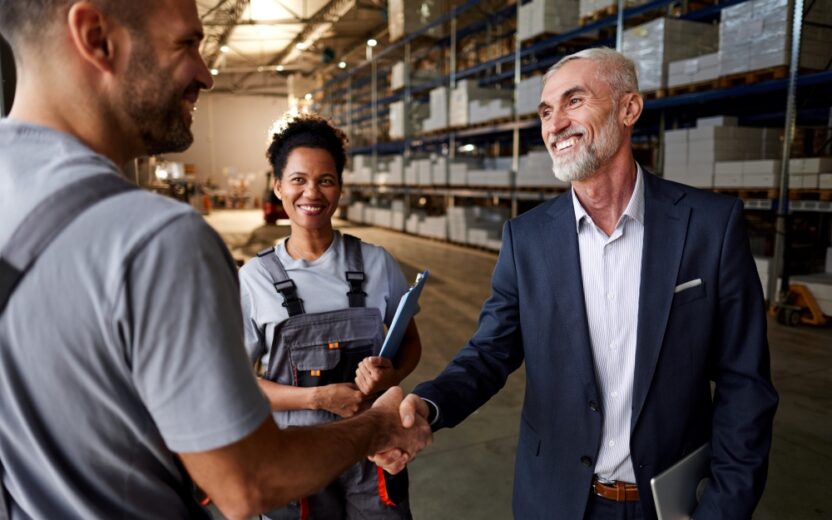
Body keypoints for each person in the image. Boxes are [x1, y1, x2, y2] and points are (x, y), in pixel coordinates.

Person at [0, 1, 430, 519]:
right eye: (185, 43)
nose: (206, 74)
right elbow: (249, 482)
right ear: (97, 37)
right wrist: (377, 426)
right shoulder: (155, 240)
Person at [381, 47, 778, 519]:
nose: (554, 124)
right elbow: (489, 352)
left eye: (574, 101)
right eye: (546, 111)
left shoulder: (710, 227)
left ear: (629, 108)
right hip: (556, 501)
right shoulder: (525, 239)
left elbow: (744, 382)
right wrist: (427, 405)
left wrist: (724, 508)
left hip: (671, 503)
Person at [239, 113, 422, 519]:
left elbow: (410, 342)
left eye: (326, 180)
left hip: (374, 453)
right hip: (295, 458)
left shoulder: (377, 264)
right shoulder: (253, 279)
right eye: (298, 179)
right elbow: (235, 384)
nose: (312, 193)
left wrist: (391, 376)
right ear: (278, 186)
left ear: (339, 187)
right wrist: (317, 398)